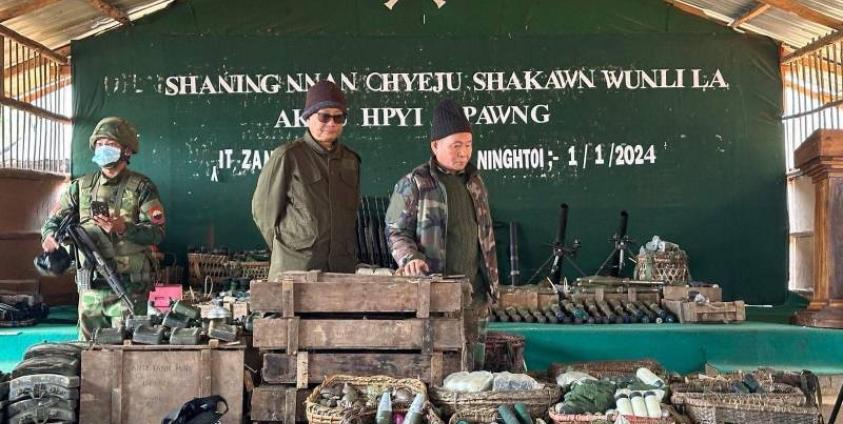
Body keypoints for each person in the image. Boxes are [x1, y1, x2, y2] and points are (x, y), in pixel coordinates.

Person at [385, 98, 499, 369]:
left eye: (468, 145)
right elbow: (394, 231)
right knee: (439, 368)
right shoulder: (412, 183)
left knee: (474, 370)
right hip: (435, 295)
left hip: (476, 294)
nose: (464, 153)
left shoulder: (476, 182)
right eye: (456, 145)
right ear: (435, 146)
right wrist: (410, 258)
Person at [41, 117, 165, 340]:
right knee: (89, 352)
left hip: (129, 289)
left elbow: (157, 232)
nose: (103, 148)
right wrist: (50, 237)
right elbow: (53, 220)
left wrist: (123, 228)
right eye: (99, 144)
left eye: (110, 144)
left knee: (129, 349)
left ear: (126, 150)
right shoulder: (80, 187)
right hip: (91, 290)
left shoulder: (142, 187)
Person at [252, 80, 361, 279]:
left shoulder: (350, 160)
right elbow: (263, 212)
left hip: (340, 269)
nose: (331, 123)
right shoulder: (287, 156)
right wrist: (287, 249)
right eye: (324, 116)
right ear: (308, 117)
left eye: (339, 117)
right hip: (296, 269)